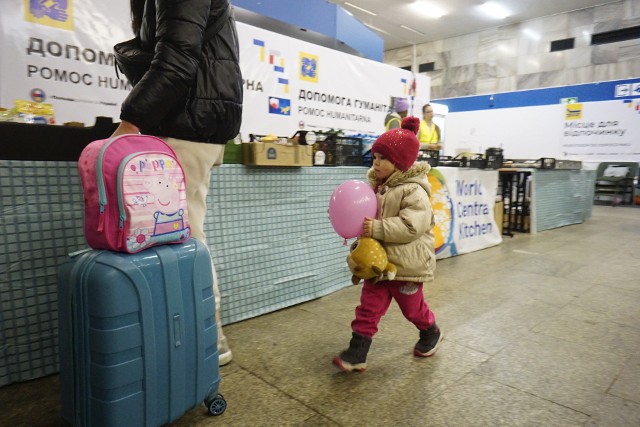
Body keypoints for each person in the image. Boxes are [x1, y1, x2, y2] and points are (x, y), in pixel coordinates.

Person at [111, 0, 243, 366]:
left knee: (183, 238)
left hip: (186, 122)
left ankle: (208, 342)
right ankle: (198, 338)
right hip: (197, 120)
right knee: (183, 235)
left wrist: (131, 119)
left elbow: (178, 56)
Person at [333, 116, 442, 373]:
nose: (376, 162)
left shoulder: (414, 191)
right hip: (379, 264)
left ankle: (430, 331)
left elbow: (411, 226)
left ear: (401, 162)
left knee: (413, 310)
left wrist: (377, 227)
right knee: (368, 308)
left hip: (407, 266)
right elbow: (364, 219)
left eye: (383, 157)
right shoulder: (375, 187)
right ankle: (357, 351)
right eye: (375, 156)